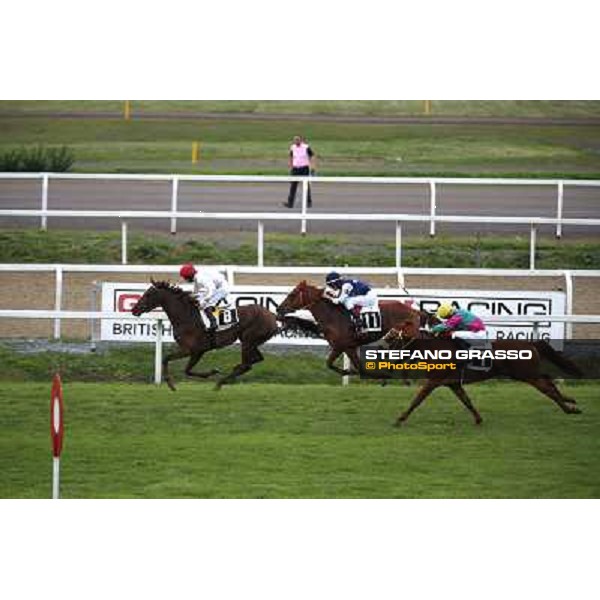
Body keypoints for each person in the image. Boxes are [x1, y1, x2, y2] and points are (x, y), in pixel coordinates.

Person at [179, 263, 230, 332]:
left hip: (222, 288)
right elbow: (196, 290)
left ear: (189, 276)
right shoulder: (197, 277)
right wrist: (193, 295)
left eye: (185, 278)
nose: (185, 280)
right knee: (200, 300)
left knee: (205, 304)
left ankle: (214, 324)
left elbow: (212, 289)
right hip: (217, 287)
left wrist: (205, 301)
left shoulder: (200, 278)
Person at [283, 135, 315, 208]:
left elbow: (312, 156)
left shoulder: (306, 147)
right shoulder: (292, 147)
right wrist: (291, 167)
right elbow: (291, 157)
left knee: (306, 186)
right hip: (295, 169)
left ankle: (308, 202)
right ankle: (290, 203)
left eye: (298, 139)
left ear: (301, 140)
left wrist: (312, 167)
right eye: (295, 140)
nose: (296, 141)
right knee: (293, 186)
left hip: (304, 168)